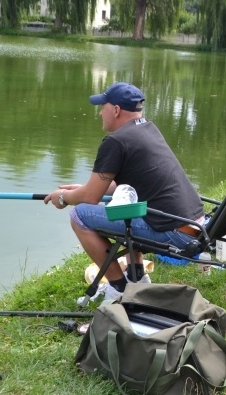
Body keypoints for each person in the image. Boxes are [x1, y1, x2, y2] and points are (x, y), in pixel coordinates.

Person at [44, 82, 205, 301]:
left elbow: (90, 199)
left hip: (173, 231)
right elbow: (111, 187)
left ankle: (118, 288)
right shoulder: (147, 128)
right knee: (126, 207)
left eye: (103, 106)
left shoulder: (116, 142)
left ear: (116, 110)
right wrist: (84, 188)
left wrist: (63, 197)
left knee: (79, 215)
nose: (100, 112)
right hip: (194, 225)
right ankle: (136, 278)